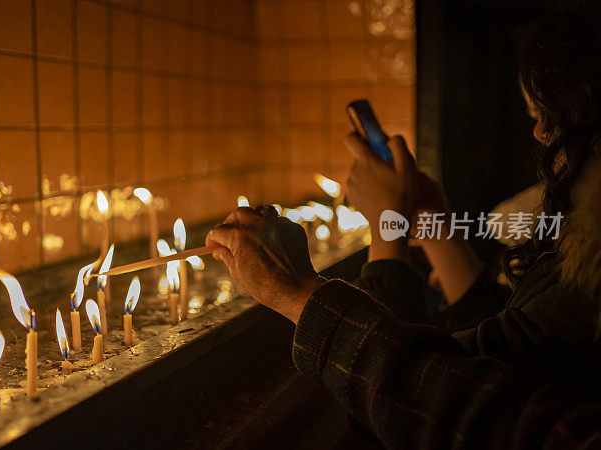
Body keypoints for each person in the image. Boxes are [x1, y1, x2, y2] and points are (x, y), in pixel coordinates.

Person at [204, 4, 601, 447]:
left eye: (548, 114)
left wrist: (305, 287)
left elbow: (462, 407)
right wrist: (427, 217)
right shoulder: (584, 255)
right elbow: (511, 345)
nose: (541, 135)